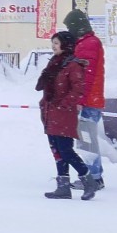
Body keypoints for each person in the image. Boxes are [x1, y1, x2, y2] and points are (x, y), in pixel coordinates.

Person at [36, 30, 94, 199]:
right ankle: (63, 187)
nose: (53, 46)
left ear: (66, 44)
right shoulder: (54, 63)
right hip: (49, 112)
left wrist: (64, 105)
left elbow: (78, 89)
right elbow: (45, 87)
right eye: (52, 43)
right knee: (56, 151)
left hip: (63, 114)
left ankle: (89, 181)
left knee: (66, 150)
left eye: (56, 43)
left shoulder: (73, 65)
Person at [60, 9, 108, 197]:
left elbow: (85, 75)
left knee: (87, 141)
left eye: (69, 26)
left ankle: (93, 177)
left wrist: (78, 99)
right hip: (89, 99)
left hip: (88, 100)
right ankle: (93, 176)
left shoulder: (88, 43)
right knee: (86, 139)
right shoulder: (85, 42)